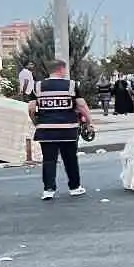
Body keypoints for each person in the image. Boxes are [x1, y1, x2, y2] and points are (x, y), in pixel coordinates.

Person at [29, 60, 91, 201]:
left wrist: (36, 123)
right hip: (67, 130)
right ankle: (74, 187)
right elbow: (81, 105)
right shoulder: (71, 85)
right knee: (70, 159)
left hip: (46, 130)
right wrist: (89, 122)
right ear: (61, 69)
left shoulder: (38, 86)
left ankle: (48, 190)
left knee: (49, 160)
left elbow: (31, 108)